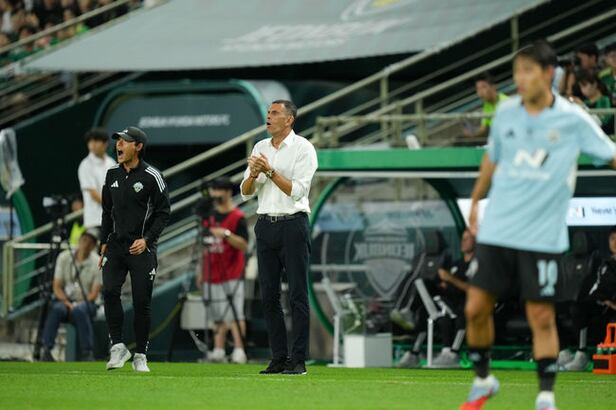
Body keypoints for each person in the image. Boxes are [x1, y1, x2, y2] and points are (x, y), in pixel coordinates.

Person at [460, 40, 616, 410]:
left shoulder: (573, 119)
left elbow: (611, 155)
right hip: (498, 228)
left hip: (542, 235)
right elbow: (491, 159)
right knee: (475, 308)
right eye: (517, 72)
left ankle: (545, 397)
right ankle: (483, 380)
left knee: (541, 315)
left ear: (548, 74)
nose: (521, 79)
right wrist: (476, 203)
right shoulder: (506, 113)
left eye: (528, 71)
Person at [240, 100, 318, 375]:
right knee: (268, 296)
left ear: (289, 119)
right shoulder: (260, 147)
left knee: (297, 294)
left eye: (274, 113)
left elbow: (297, 191)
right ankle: (278, 358)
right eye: (268, 113)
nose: (269, 117)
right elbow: (246, 192)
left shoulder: (303, 148)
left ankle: (298, 360)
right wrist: (254, 174)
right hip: (265, 225)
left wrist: (269, 171)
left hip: (293, 224)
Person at [99, 126, 170, 373]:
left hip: (141, 248)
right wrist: (103, 242)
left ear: (138, 147)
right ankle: (118, 346)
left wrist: (147, 240)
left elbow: (163, 213)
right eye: (118, 140)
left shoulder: (152, 176)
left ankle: (140, 354)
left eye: (125, 141)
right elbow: (106, 212)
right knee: (109, 291)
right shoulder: (111, 174)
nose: (118, 144)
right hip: (115, 246)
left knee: (141, 302)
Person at [195, 177, 249, 364]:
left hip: (232, 271)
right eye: (214, 190)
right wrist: (200, 272)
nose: (215, 194)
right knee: (216, 314)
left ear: (227, 192)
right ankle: (218, 350)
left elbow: (244, 245)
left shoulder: (238, 216)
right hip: (211, 272)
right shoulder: (208, 216)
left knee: (235, 314)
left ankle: (239, 350)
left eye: (219, 190)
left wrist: (225, 234)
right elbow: (203, 247)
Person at [41, 230, 100, 361]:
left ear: (93, 245)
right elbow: (57, 287)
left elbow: (94, 293)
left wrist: (77, 304)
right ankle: (46, 350)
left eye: (91, 242)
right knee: (57, 309)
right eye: (84, 239)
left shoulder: (98, 261)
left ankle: (87, 353)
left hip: (86, 302)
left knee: (80, 310)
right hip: (65, 300)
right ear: (79, 240)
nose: (86, 244)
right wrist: (67, 303)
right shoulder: (64, 257)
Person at [431, 229, 475, 368]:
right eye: (462, 238)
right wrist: (444, 283)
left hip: (469, 303)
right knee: (442, 315)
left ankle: (454, 353)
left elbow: (474, 290)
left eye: (467, 238)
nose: (463, 242)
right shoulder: (456, 264)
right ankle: (445, 352)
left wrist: (451, 279)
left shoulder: (478, 264)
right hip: (452, 301)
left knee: (463, 314)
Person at [77, 128, 115, 233]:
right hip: (94, 220)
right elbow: (93, 194)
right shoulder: (85, 165)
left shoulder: (111, 163)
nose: (92, 145)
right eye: (90, 141)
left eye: (96, 141)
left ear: (105, 144)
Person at [463, 72, 508, 141]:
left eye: (483, 87)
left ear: (493, 87)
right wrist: (472, 133)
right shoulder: (486, 106)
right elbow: (482, 129)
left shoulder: (506, 103)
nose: (480, 92)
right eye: (478, 89)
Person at [576, 69, 614, 134]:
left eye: (584, 85)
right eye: (580, 87)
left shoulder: (604, 100)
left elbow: (599, 123)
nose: (582, 89)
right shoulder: (585, 102)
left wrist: (583, 106)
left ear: (594, 84)